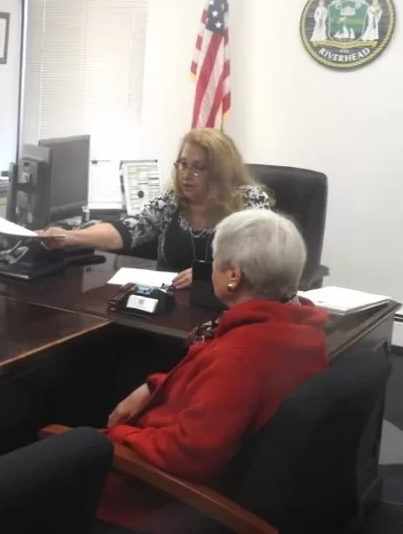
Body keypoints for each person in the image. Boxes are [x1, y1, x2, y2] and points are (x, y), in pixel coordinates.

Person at [94, 209, 329, 533]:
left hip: (157, 501)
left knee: (45, 469)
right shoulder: (298, 328)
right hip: (212, 468)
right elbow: (213, 383)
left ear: (232, 275)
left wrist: (116, 437)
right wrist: (153, 387)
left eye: (214, 260)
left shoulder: (239, 356)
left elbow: (186, 455)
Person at [41, 128, 270, 289]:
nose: (186, 174)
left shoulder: (248, 202)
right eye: (183, 164)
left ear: (220, 172)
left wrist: (208, 275)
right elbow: (129, 229)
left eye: (198, 167)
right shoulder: (172, 201)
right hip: (170, 302)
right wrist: (70, 236)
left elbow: (261, 262)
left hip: (222, 307)